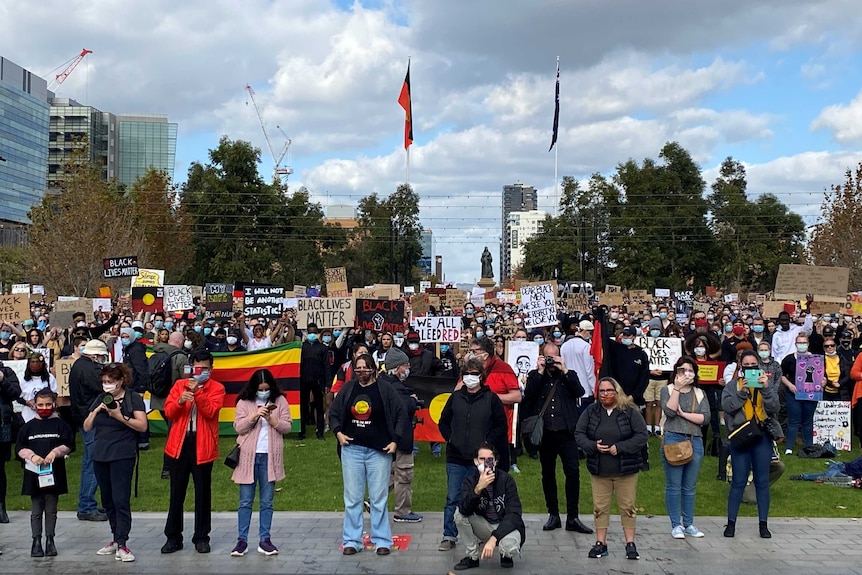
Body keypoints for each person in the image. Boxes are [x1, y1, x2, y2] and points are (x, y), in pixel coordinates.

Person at [329, 353, 407, 556]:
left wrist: (395, 440)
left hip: (378, 451)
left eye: (365, 367)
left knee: (378, 498)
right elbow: (334, 412)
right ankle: (352, 540)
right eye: (358, 368)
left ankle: (382, 540)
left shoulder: (385, 389)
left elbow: (400, 414)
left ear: (373, 368)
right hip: (352, 449)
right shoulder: (348, 389)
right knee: (353, 498)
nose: (362, 371)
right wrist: (338, 433)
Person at [437, 358, 508, 552]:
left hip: (482, 458)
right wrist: (450, 438)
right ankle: (449, 535)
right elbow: (443, 422)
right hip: (456, 456)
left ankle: (481, 534)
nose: (470, 377)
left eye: (474, 374)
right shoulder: (455, 397)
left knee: (482, 495)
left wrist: (487, 443)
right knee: (453, 497)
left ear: (481, 377)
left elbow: (501, 425)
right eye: (467, 374)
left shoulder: (491, 399)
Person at [575, 376, 649, 560]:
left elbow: (641, 436)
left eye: (609, 390)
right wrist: (593, 446)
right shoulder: (591, 411)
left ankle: (630, 543)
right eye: (602, 391)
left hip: (626, 470)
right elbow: (579, 434)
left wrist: (621, 448)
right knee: (600, 507)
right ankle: (601, 543)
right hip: (600, 469)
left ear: (617, 392)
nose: (605, 394)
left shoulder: (629, 412)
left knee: (628, 507)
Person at [522, 342, 591, 534]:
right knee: (548, 474)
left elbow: (579, 391)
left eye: (554, 356)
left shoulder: (568, 375)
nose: (551, 360)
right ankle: (553, 514)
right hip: (546, 434)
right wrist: (541, 370)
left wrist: (565, 369)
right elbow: (529, 394)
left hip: (566, 433)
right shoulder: (536, 376)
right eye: (547, 356)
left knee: (573, 473)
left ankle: (573, 517)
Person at [162, 349, 225, 554]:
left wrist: (198, 392)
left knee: (202, 493)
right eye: (197, 368)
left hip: (203, 445)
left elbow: (210, 412)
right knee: (176, 493)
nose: (201, 372)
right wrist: (180, 400)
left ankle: (201, 537)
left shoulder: (217, 388)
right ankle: (173, 537)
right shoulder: (179, 385)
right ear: (191, 367)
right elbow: (169, 412)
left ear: (211, 369)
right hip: (179, 444)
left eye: (205, 369)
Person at [84, 362, 148, 562]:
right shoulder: (100, 398)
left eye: (110, 382)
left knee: (121, 499)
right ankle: (114, 536)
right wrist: (97, 410)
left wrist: (119, 416)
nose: (107, 385)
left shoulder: (133, 399)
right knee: (108, 500)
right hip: (101, 454)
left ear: (121, 381)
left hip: (122, 454)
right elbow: (86, 427)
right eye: (104, 382)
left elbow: (142, 426)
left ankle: (123, 542)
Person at [230, 369, 292, 557]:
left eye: (266, 389)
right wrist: (254, 416)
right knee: (245, 501)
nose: (263, 392)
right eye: (260, 389)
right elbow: (239, 428)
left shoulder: (280, 401)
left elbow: (287, 426)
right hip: (248, 457)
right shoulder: (244, 402)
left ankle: (265, 540)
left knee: (267, 502)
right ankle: (242, 541)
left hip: (269, 457)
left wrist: (272, 420)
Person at [723, 349, 779, 539]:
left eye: (752, 365)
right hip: (741, 435)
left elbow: (775, 408)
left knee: (762, 481)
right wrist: (742, 393)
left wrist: (766, 389)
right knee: (738, 481)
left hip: (762, 436)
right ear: (740, 366)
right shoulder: (732, 386)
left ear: (758, 365)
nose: (749, 368)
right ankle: (731, 524)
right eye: (746, 366)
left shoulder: (766, 384)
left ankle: (763, 524)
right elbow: (728, 407)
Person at [16, 387, 75, 557]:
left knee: (51, 509)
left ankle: (50, 539)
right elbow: (20, 447)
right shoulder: (28, 427)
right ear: (35, 404)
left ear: (54, 404)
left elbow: (69, 444)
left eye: (48, 404)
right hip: (33, 474)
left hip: (53, 473)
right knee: (36, 510)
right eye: (40, 404)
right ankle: (36, 540)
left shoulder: (61, 425)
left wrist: (55, 453)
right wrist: (31, 456)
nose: (44, 407)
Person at [452, 442, 525, 571]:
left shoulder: (506, 480)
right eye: (482, 459)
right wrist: (478, 489)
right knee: (458, 514)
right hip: (484, 525)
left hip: (505, 526)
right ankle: (472, 557)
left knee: (510, 549)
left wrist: (494, 539)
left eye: (490, 460)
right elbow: (464, 509)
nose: (486, 463)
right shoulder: (469, 481)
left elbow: (514, 514)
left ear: (496, 462)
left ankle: (506, 554)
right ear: (475, 461)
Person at [660, 357, 710, 539]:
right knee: (674, 485)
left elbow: (705, 418)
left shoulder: (699, 393)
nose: (686, 373)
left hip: (694, 439)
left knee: (689, 486)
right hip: (673, 438)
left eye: (690, 370)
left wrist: (685, 414)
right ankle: (676, 524)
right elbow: (670, 412)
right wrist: (678, 389)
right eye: (683, 370)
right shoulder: (668, 390)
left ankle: (689, 523)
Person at [151, 331, 189, 480]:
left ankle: (171, 465)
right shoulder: (181, 357)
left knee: (172, 432)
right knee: (173, 435)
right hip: (174, 402)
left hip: (158, 400)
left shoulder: (156, 353)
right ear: (180, 341)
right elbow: (186, 379)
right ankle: (168, 467)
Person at [780, 333, 817, 455]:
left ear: (808, 344)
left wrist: (823, 381)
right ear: (795, 344)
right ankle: (789, 447)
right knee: (794, 420)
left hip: (810, 394)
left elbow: (822, 376)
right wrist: (789, 385)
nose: (802, 345)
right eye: (799, 343)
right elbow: (782, 375)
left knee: (807, 420)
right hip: (793, 394)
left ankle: (809, 446)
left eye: (804, 343)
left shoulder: (816, 359)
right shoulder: (789, 359)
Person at [298, 323, 331, 440]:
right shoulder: (301, 347)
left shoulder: (322, 348)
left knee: (319, 407)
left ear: (317, 333)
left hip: (318, 381)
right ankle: (301, 432)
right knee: (303, 407)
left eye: (314, 332)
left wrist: (328, 384)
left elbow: (327, 366)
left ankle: (320, 432)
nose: (312, 334)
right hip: (304, 380)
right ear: (306, 332)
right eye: (310, 332)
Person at [0, 361, 21, 526]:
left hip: (2, 424)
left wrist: (2, 380)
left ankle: (1, 506)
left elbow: (15, 393)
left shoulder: (6, 372)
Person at [560, 319, 596, 413]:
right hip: (585, 391)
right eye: (590, 332)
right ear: (585, 331)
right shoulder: (586, 347)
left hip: (569, 389)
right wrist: (594, 389)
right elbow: (589, 370)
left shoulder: (564, 346)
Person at [18, 353, 57, 422]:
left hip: (47, 415)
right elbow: (18, 397)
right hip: (28, 416)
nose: (35, 364)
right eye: (33, 362)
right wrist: (27, 402)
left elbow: (55, 394)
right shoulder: (22, 380)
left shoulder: (50, 378)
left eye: (38, 362)